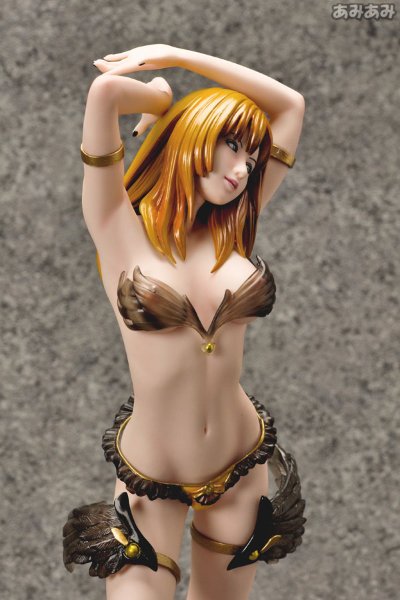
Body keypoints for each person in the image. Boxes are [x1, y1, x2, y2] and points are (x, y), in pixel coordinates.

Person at [62, 44, 307, 600]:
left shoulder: (234, 232)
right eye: (232, 145)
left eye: (253, 160)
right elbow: (106, 92)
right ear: (192, 135)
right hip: (150, 476)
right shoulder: (117, 229)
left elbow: (290, 105)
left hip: (241, 463)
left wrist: (182, 55)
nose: (243, 170)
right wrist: (159, 95)